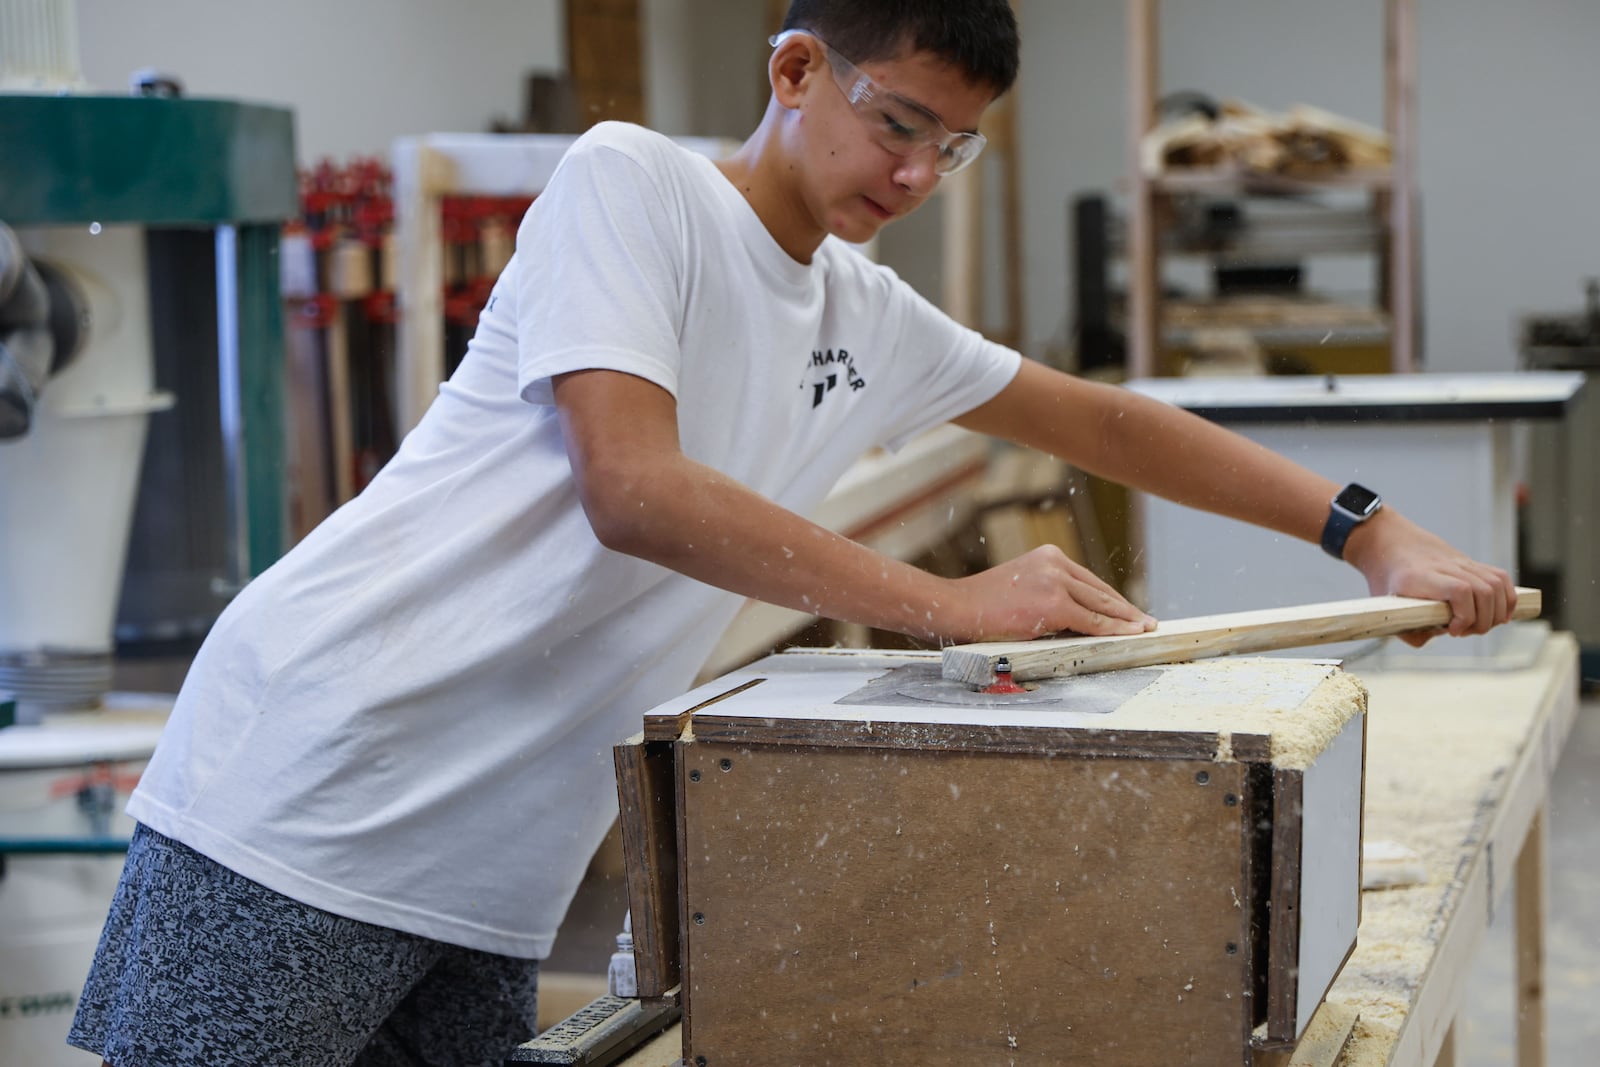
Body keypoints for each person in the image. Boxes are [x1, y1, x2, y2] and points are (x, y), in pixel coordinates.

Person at [69, 2, 1516, 1065]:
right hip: (314, 785)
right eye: (897, 123)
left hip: (491, 862)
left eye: (952, 149)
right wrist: (950, 605)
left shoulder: (858, 311)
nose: (913, 175)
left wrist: (1366, 532)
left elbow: (1107, 422)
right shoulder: (635, 186)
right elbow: (633, 489)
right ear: (796, 67)